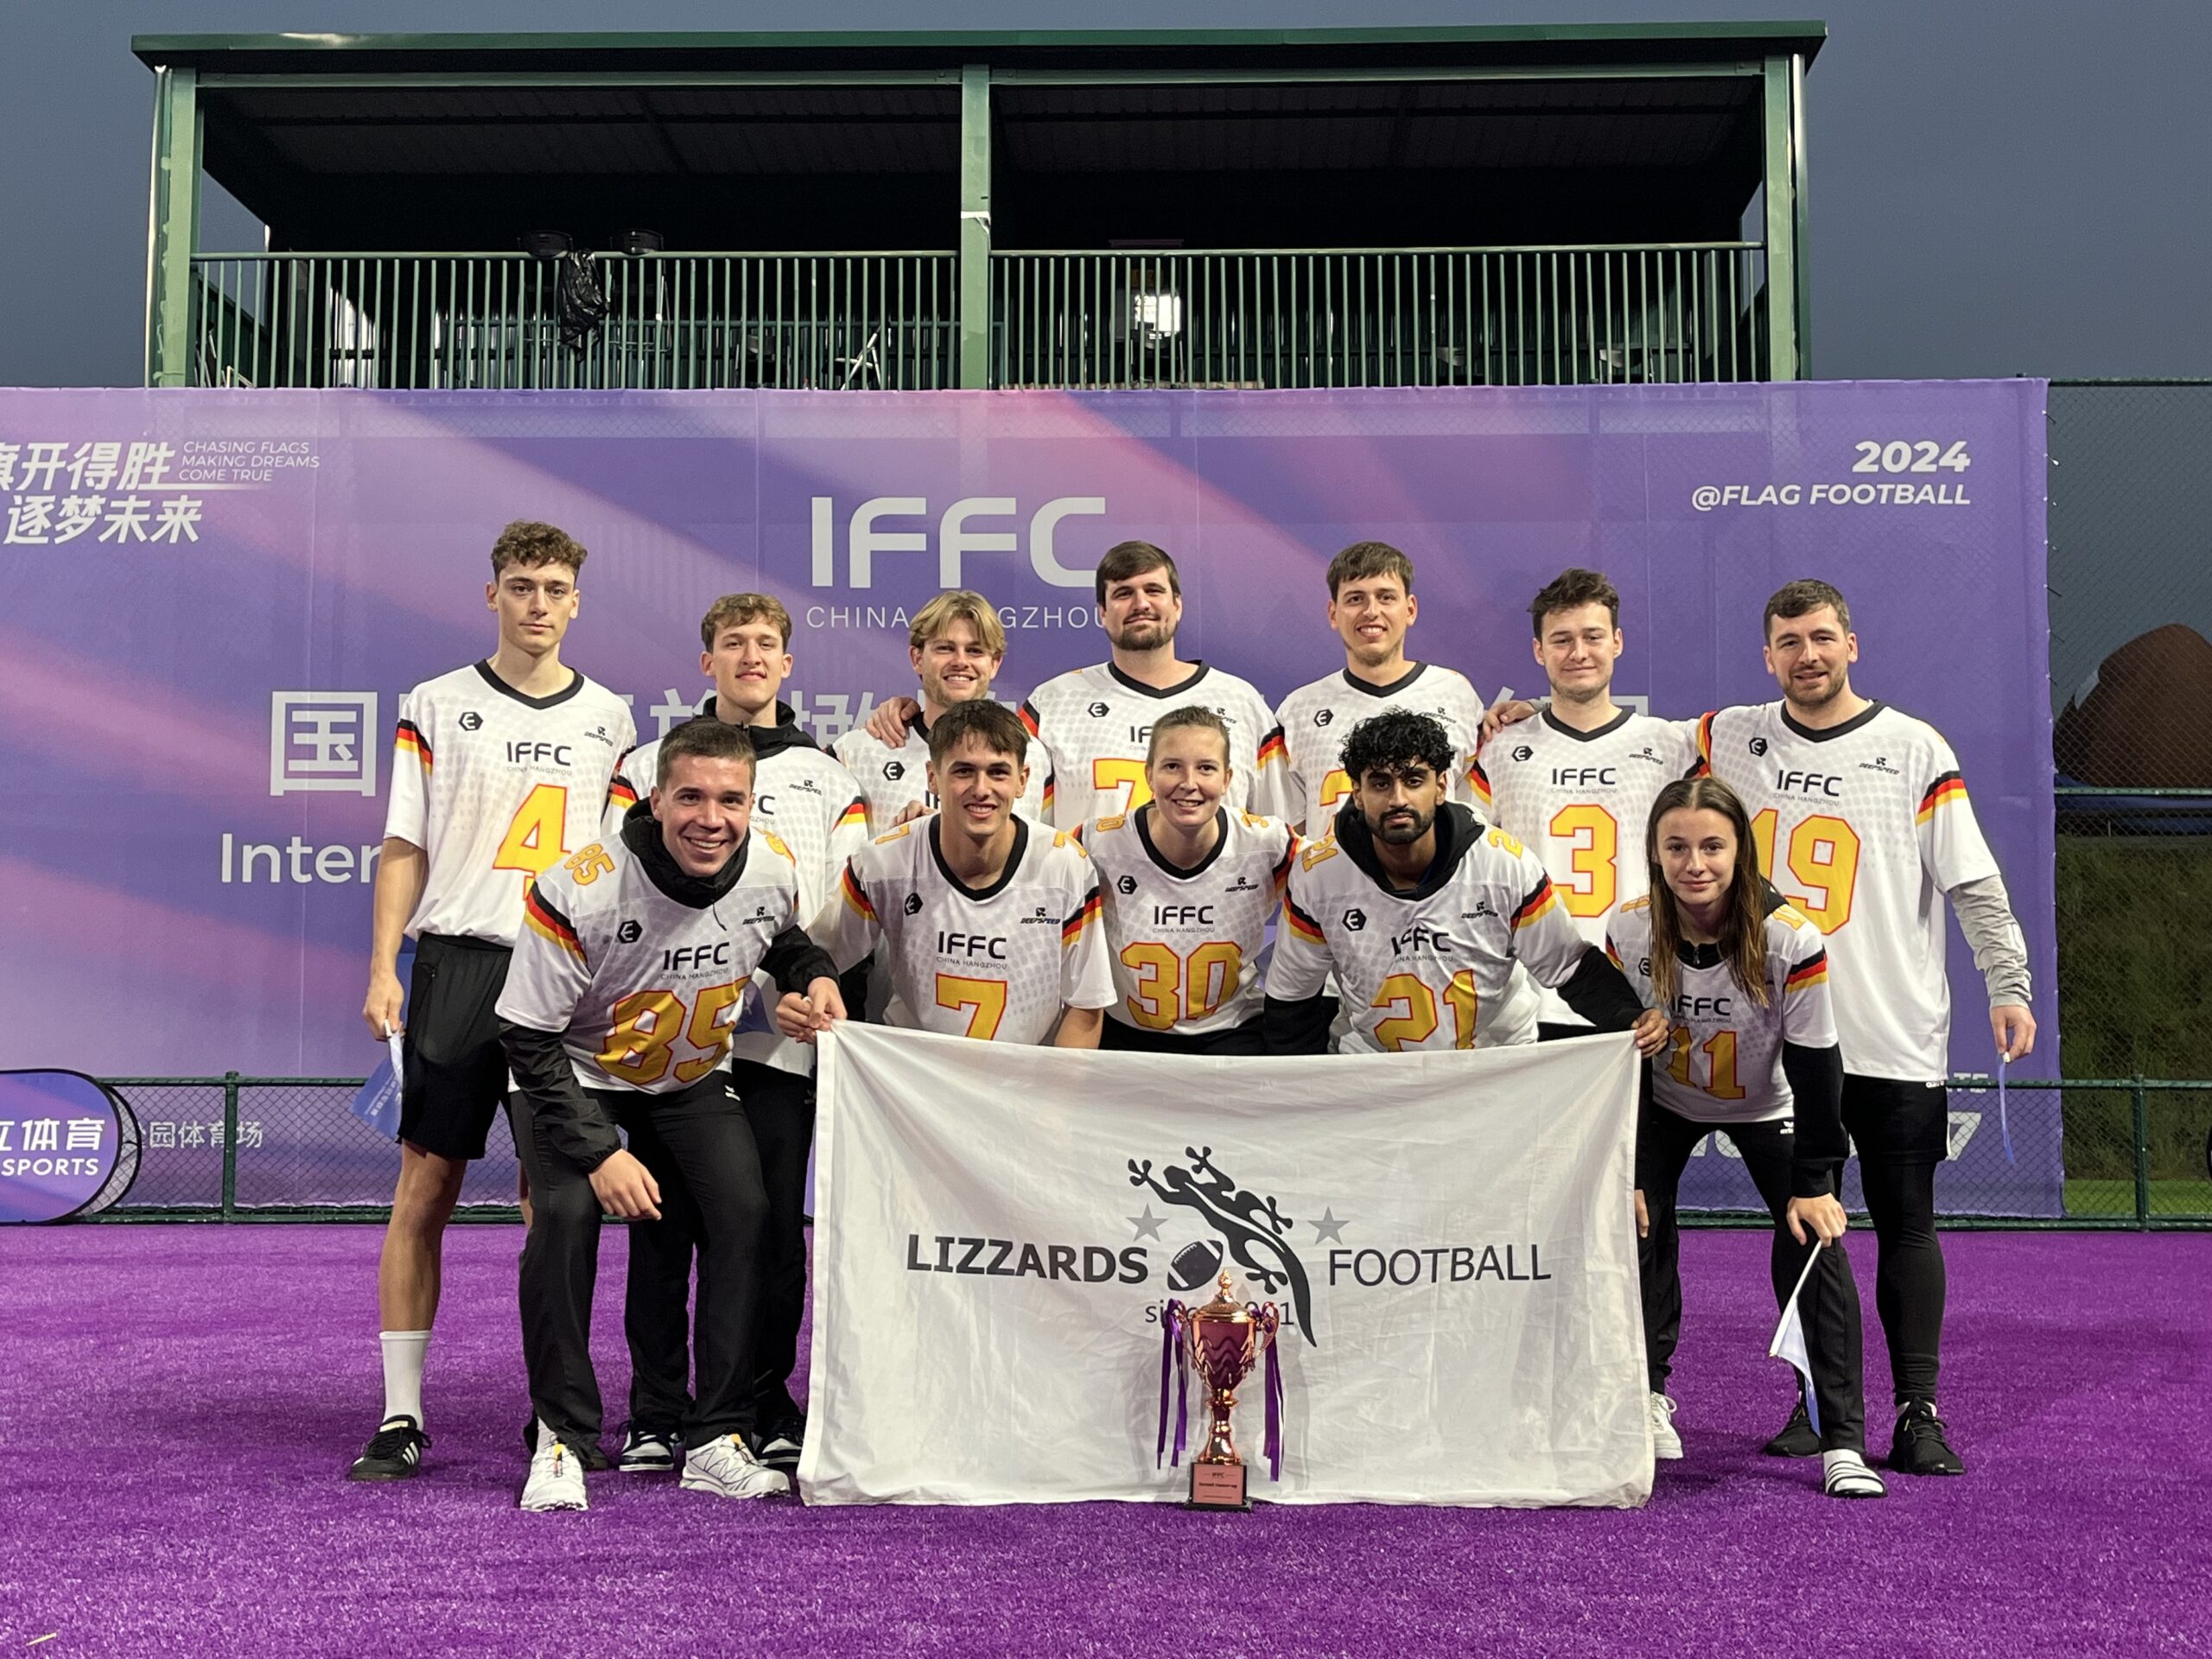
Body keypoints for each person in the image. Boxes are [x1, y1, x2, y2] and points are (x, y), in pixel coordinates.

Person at [1694, 579, 2035, 1475]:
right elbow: (1617, 739)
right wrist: (1521, 718)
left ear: (1852, 644)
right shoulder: (1731, 736)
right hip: (1784, 1037)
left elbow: (1971, 882)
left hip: (1891, 1031)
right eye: (1788, 642)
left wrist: (2007, 982)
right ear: (1767, 657)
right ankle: (1818, 1398)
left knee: (1905, 1221)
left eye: (1820, 638)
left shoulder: (1914, 747)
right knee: (1802, 1222)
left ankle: (1919, 1410)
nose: (1806, 655)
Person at [496, 718, 846, 1511]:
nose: (710, 819)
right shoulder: (579, 888)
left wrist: (815, 973)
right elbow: (526, 1037)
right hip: (572, 1068)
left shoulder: (770, 868)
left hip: (686, 1073)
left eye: (731, 800)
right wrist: (600, 1152)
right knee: (565, 1214)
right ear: (655, 799)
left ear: (752, 803)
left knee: (746, 1211)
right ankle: (561, 1435)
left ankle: (716, 1433)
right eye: (690, 797)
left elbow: (782, 939)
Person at [349, 520, 635, 1484]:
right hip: (460, 966)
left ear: (576, 603)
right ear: (492, 595)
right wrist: (384, 966)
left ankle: (552, 1415)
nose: (537, 604)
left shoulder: (611, 719)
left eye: (554, 588)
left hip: (560, 975)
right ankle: (400, 1414)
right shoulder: (435, 703)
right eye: (521, 586)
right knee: (425, 1187)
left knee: (552, 1201)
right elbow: (404, 845)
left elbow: (616, 870)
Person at [601, 594, 868, 1480]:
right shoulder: (648, 763)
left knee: (772, 1234)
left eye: (766, 644)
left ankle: (760, 1401)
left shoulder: (831, 775)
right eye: (732, 642)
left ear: (788, 664)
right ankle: (655, 1410)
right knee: (663, 1229)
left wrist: (805, 987)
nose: (750, 656)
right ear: (705, 660)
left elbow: (829, 915)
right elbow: (626, 896)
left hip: (780, 1043)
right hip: (676, 1040)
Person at [1607, 776, 1884, 1499]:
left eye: (1712, 846)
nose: (1694, 863)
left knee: (1813, 1238)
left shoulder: (1789, 937)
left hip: (1769, 1104)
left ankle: (1841, 1438)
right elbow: (1616, 1054)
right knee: (1633, 1224)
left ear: (1740, 852)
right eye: (1676, 847)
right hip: (1666, 1101)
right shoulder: (1629, 929)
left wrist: (1816, 1180)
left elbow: (1818, 1064)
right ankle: (1645, 1396)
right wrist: (1628, 1168)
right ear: (1654, 852)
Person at [1263, 710, 1667, 1057]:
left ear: (1441, 787)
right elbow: (1291, 1002)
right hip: (1375, 1069)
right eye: (1380, 783)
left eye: (1414, 780)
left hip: (1495, 1065)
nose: (1398, 799)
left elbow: (1570, 966)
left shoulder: (1502, 865)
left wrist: (1629, 1017)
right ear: (1357, 793)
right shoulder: (1319, 875)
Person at [859, 541, 1287, 828]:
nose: (1140, 603)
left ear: (1177, 604)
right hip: (1087, 920)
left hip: (1219, 927)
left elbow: (1281, 830)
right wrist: (909, 710)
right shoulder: (1053, 702)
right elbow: (977, 754)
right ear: (1101, 612)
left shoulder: (1241, 701)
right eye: (1123, 593)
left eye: (1153, 590)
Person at [1472, 569, 1698, 1039]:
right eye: (1561, 640)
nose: (1579, 653)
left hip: (1641, 998)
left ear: (1617, 642)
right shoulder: (1497, 749)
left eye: (1593, 637)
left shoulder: (1671, 746)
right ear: (1539, 651)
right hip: (1528, 1002)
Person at [820, 699, 1116, 1047]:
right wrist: (807, 989)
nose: (981, 789)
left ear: (1022, 780)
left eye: (998, 772)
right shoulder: (883, 862)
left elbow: (1086, 1005)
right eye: (963, 771)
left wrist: (1055, 1085)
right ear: (933, 777)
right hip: (910, 1072)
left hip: (1023, 1075)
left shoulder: (1065, 867)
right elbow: (820, 957)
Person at [1084, 707, 1298, 1055]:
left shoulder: (1268, 844)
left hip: (1232, 1034)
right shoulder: (1097, 844)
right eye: (1172, 766)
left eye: (1206, 768)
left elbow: (1339, 877)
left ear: (1227, 779)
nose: (1189, 783)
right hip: (1124, 1035)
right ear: (1149, 775)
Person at [1273, 541, 1491, 831]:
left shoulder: (1456, 694)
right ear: (1333, 613)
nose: (1371, 611)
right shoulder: (1299, 709)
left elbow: (1475, 814)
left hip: (1434, 863)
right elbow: (1290, 830)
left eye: (1386, 597)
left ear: (1410, 609)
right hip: (1333, 862)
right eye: (1355, 599)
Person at [832, 589, 1051, 830]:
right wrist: (905, 840)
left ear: (994, 664)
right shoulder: (860, 751)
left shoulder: (1033, 755)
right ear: (917, 658)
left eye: (975, 651)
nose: (960, 661)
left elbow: (1045, 844)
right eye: (945, 648)